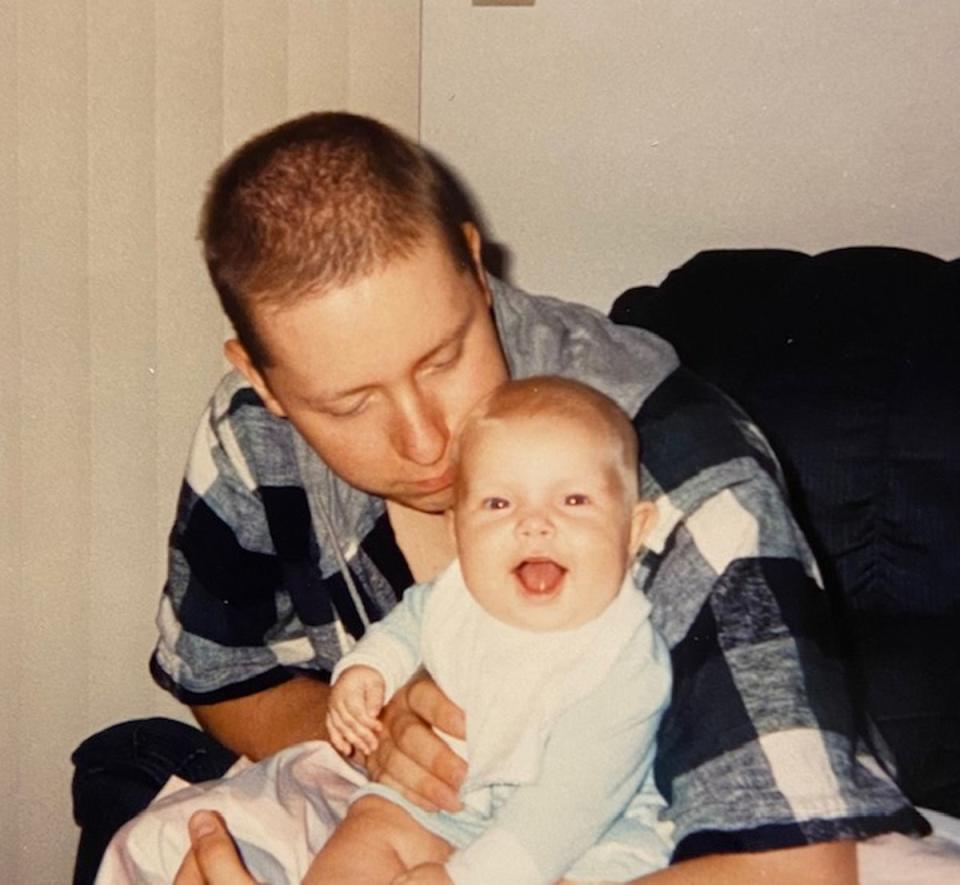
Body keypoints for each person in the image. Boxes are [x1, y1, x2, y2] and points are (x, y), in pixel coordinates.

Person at [72, 110, 927, 884]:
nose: (424, 439)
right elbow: (224, 677)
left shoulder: (678, 462)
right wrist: (377, 738)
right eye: (350, 403)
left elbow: (796, 867)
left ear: (476, 270)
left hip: (694, 842)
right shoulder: (254, 431)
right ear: (261, 376)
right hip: (434, 818)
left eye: (443, 358)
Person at [99, 377, 673, 884]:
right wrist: (366, 671)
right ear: (459, 529)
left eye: (574, 500)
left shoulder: (624, 659)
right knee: (371, 824)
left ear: (633, 529)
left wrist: (463, 879)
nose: (534, 525)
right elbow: (409, 624)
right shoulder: (459, 596)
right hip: (442, 807)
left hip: (580, 842)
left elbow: (561, 817)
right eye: (498, 503)